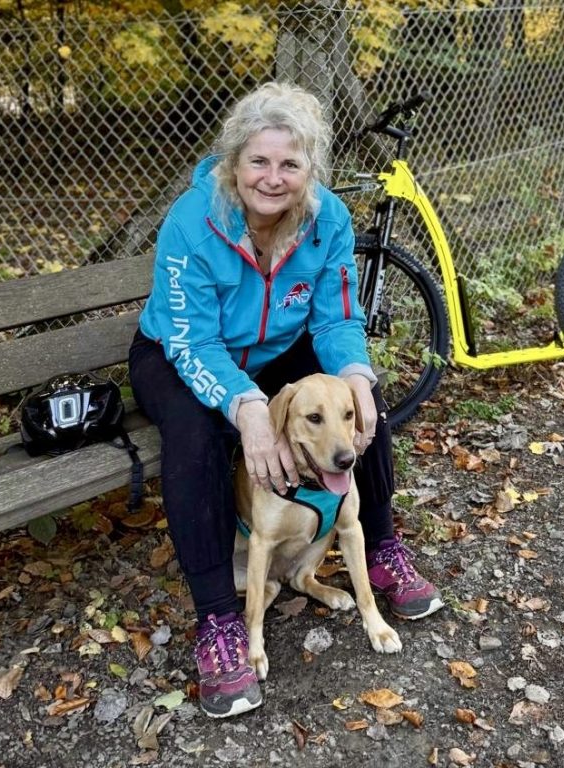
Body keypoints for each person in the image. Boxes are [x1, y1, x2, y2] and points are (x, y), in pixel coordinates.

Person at [128, 81, 443, 719]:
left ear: (311, 172)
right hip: (177, 352)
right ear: (232, 163)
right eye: (259, 161)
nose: (272, 178)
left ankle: (378, 547)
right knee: (194, 439)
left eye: (290, 164)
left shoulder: (328, 220)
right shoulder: (192, 222)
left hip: (275, 350)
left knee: (356, 404)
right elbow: (194, 342)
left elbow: (334, 321)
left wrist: (356, 374)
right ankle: (220, 621)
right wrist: (249, 411)